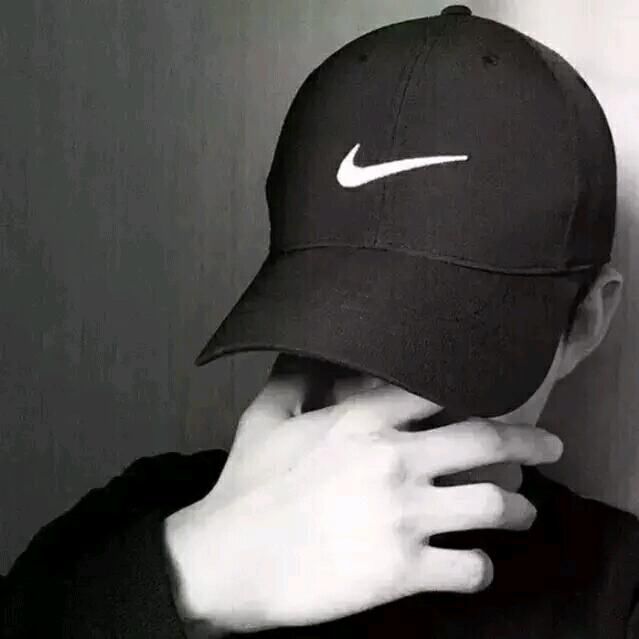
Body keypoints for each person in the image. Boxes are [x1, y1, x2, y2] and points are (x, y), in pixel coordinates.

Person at [2, 5, 638, 638]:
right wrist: (196, 575)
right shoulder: (136, 524)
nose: (383, 385)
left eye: (452, 340)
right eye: (340, 326)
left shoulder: (620, 588)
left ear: (584, 322)